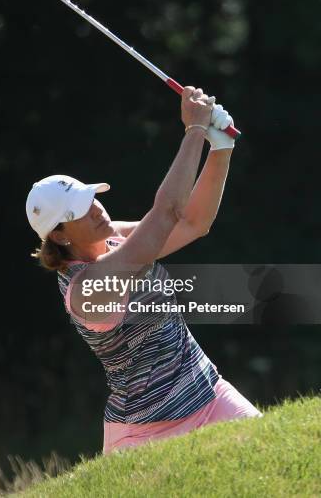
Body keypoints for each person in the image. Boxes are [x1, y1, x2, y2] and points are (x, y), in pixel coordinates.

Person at [26, 86, 262, 455]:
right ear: (58, 234)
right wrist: (195, 131)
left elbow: (192, 222)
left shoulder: (114, 238)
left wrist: (220, 148)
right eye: (81, 209)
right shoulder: (86, 290)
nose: (97, 209)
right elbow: (164, 215)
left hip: (209, 394)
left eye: (92, 198)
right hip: (146, 434)